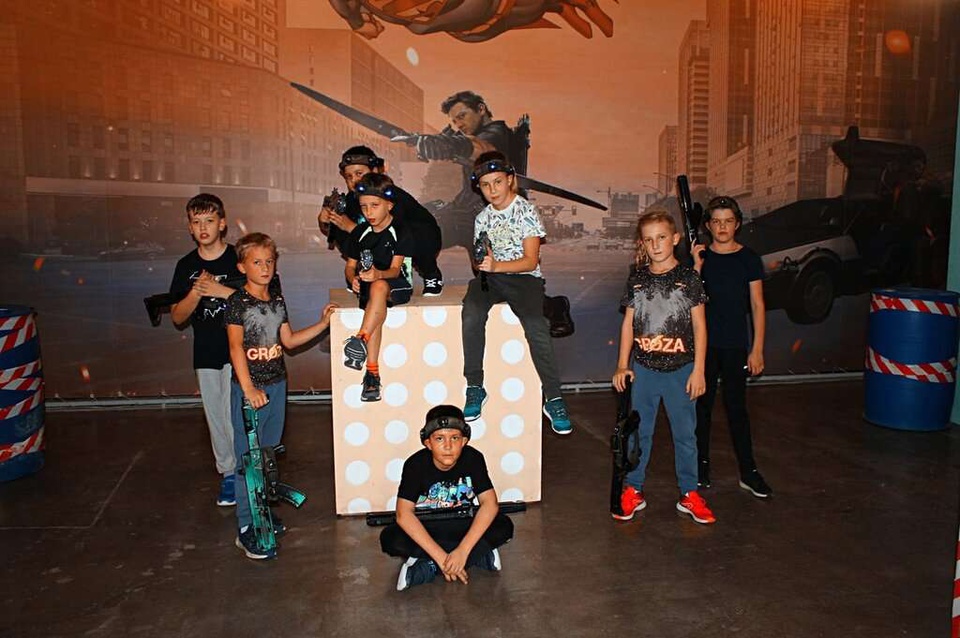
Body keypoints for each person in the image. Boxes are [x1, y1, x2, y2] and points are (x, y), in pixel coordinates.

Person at [225, 232, 337, 559]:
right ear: (242, 266)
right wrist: (248, 388)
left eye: (269, 262)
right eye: (256, 262)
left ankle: (262, 512)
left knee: (267, 456)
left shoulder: (277, 300)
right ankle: (247, 526)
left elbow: (288, 341)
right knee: (249, 461)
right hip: (251, 392)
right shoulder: (238, 303)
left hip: (276, 386)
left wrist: (323, 323)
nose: (264, 268)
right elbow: (235, 348)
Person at [611, 210, 715, 525]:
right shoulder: (637, 280)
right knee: (639, 433)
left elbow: (700, 327)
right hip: (644, 370)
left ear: (675, 239)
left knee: (685, 435)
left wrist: (699, 370)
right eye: (648, 239)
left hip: (682, 370)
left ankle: (689, 493)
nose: (655, 245)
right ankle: (633, 489)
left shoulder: (689, 278)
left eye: (661, 237)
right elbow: (628, 324)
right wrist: (622, 365)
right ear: (642, 243)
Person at [461, 152, 572, 434]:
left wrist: (496, 265)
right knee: (472, 313)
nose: (492, 190)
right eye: (485, 185)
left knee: (536, 326)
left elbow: (531, 261)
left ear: (510, 180)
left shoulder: (526, 211)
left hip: (524, 279)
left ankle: (554, 397)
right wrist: (480, 260)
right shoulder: (482, 218)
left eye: (497, 182)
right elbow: (480, 260)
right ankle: (474, 386)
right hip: (491, 279)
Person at [380, 404, 514, 591]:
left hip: (462, 524)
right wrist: (441, 557)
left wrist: (463, 550)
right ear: (428, 443)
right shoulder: (415, 465)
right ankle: (475, 556)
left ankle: (430, 564)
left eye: (455, 438)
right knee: (391, 539)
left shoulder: (473, 458)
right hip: (429, 527)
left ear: (464, 441)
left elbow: (489, 504)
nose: (448, 446)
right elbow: (404, 514)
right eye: (439, 438)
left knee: (503, 526)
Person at [692, 196, 772, 498]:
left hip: (736, 346)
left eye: (728, 221)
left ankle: (748, 472)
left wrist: (757, 348)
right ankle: (700, 468)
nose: (722, 227)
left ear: (737, 224)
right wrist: (696, 266)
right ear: (708, 225)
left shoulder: (748, 259)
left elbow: (758, 305)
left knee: (737, 409)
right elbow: (689, 300)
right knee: (701, 408)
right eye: (716, 221)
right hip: (705, 348)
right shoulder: (701, 258)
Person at [168, 193, 241, 508]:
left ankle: (246, 470)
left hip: (240, 349)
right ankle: (228, 473)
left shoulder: (239, 258)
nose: (203, 228)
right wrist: (196, 293)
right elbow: (177, 316)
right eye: (196, 222)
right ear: (189, 227)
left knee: (235, 413)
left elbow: (259, 303)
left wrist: (220, 290)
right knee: (216, 415)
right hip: (207, 351)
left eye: (209, 220)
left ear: (222, 223)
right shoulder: (186, 266)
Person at [319, 146, 444, 296]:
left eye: (359, 173)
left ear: (375, 171)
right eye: (349, 177)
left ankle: (431, 274)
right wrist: (326, 221)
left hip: (413, 238)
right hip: (382, 245)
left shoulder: (391, 196)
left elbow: (397, 232)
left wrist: (352, 227)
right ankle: (363, 274)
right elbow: (338, 231)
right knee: (341, 227)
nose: (354, 180)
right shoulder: (351, 200)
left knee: (418, 233)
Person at [340, 173, 415, 402]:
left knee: (380, 287)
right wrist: (353, 278)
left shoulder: (401, 229)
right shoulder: (360, 232)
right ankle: (372, 374)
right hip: (371, 285)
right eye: (364, 207)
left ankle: (361, 338)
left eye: (375, 206)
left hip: (397, 284)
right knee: (375, 307)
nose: (368, 212)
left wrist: (377, 275)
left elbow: (395, 270)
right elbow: (349, 266)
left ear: (389, 205)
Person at [407, 91, 513, 249]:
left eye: (462, 116)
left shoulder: (497, 132)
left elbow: (481, 147)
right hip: (466, 209)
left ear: (481, 109)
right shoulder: (477, 135)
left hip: (487, 214)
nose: (459, 125)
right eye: (455, 121)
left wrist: (451, 144)